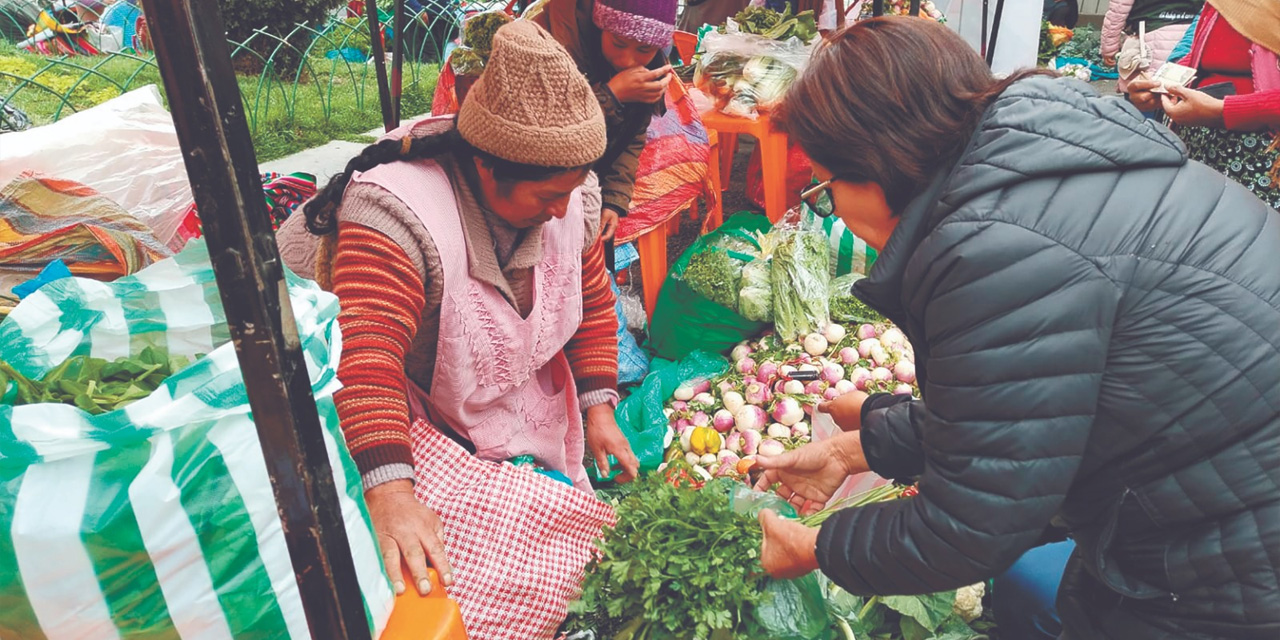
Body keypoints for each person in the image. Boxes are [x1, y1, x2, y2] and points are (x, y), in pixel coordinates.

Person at [752, 16, 1280, 639]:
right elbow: (1029, 405)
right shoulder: (1041, 163)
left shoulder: (990, 249)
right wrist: (859, 446)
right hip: (1209, 490)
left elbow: (968, 529)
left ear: (877, 166)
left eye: (826, 184)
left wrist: (817, 545)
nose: (831, 203)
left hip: (1229, 556)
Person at [277, 19, 639, 599]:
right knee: (454, 580)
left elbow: (592, 300)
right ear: (488, 167)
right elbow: (364, 359)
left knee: (564, 551)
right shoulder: (396, 217)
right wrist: (391, 493)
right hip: (394, 400)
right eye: (548, 196)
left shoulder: (570, 198)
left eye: (571, 192)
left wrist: (600, 409)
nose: (562, 210)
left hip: (490, 381)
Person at [531, 0, 678, 252]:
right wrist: (612, 95)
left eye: (644, 49)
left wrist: (613, 198)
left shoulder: (651, 69)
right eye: (618, 43)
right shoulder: (551, 47)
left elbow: (631, 137)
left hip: (592, 189)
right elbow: (547, 135)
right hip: (537, 192)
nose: (627, 60)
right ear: (600, 24)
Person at [1128, 0, 1280, 208]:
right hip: (1202, 147)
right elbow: (1205, 52)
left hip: (1261, 158)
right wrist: (1163, 84)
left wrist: (1224, 111)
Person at [1101, 0, 1201, 93]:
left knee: (1143, 95)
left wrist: (1109, 49)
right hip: (1194, 37)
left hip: (1148, 39)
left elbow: (1117, 11)